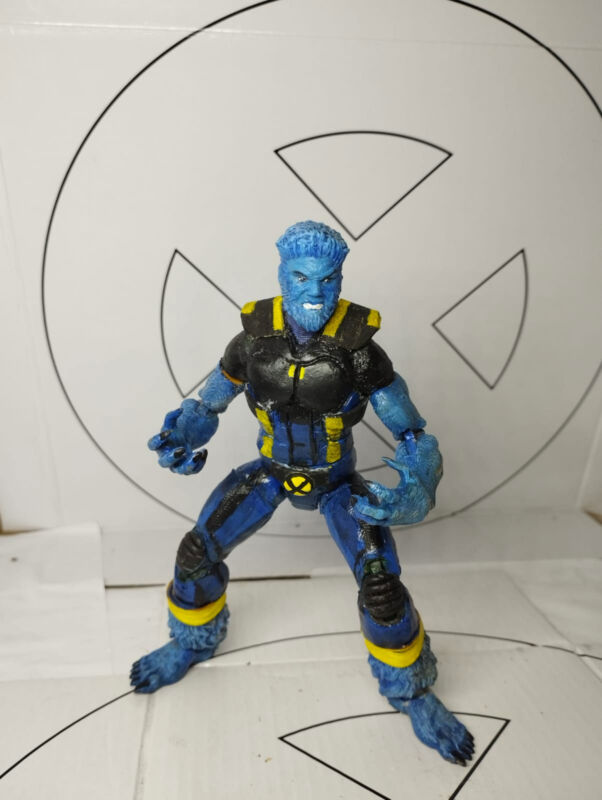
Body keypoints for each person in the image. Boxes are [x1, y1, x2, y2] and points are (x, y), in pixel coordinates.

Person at [130, 220, 474, 765]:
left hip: (336, 483)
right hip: (270, 472)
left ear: (340, 279)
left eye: (328, 278)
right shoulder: (251, 342)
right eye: (301, 277)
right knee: (196, 552)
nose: (316, 291)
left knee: (382, 589)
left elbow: (412, 431)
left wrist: (418, 486)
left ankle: (413, 692)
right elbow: (209, 402)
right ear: (282, 275)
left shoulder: (359, 352)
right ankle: (192, 641)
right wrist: (182, 435)